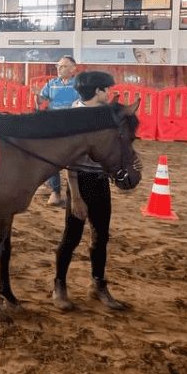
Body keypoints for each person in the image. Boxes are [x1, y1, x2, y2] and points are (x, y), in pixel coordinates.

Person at [52, 70, 128, 313]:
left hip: (99, 181)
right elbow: (69, 161)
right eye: (108, 89)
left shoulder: (106, 115)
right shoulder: (75, 117)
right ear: (98, 91)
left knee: (101, 236)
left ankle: (98, 284)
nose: (111, 92)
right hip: (79, 182)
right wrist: (75, 196)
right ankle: (59, 285)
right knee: (71, 237)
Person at [32, 55, 79, 206]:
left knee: (71, 162)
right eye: (58, 66)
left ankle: (70, 193)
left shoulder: (78, 85)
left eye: (64, 66)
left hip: (71, 128)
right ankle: (55, 191)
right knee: (50, 158)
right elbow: (41, 101)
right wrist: (37, 96)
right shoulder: (52, 84)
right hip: (53, 127)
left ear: (73, 69)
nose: (59, 68)